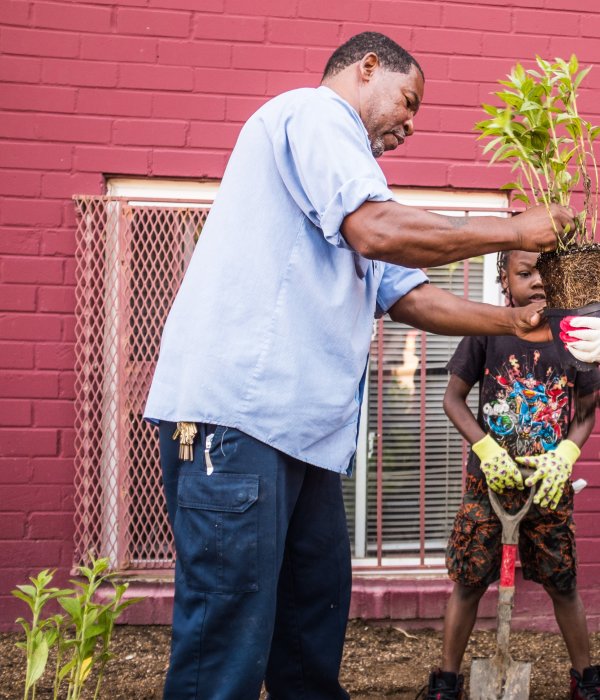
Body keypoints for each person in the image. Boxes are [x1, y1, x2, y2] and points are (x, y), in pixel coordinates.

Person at [144, 32, 575, 700]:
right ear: (367, 68)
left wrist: (521, 323)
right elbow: (378, 231)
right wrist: (515, 230)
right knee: (224, 650)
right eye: (408, 101)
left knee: (309, 634)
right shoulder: (315, 118)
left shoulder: (352, 184)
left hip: (305, 439)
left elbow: (414, 297)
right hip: (238, 423)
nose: (411, 122)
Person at [423, 250, 600, 700]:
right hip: (488, 486)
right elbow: (453, 399)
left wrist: (566, 453)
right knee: (468, 583)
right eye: (526, 272)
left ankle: (587, 680)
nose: (538, 281)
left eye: (547, 271)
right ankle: (446, 681)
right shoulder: (489, 329)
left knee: (563, 584)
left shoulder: (574, 339)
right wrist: (484, 448)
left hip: (548, 486)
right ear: (505, 277)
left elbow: (585, 413)